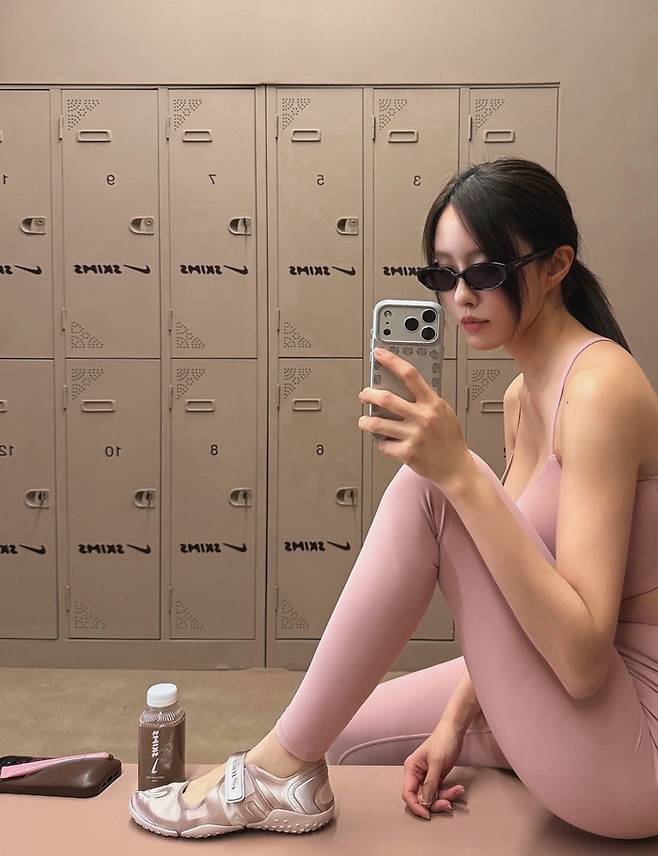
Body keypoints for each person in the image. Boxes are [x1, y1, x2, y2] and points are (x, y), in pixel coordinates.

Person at [129, 157, 658, 840]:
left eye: (485, 273)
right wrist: (455, 720)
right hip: (578, 694)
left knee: (426, 486)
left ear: (557, 265)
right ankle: (295, 767)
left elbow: (584, 661)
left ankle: (268, 773)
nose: (460, 297)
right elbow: (521, 592)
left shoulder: (600, 389)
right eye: (442, 275)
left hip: (634, 743)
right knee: (345, 736)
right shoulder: (521, 397)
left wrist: (459, 475)